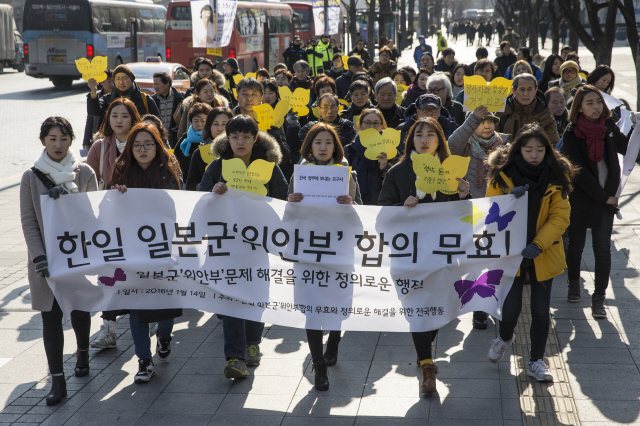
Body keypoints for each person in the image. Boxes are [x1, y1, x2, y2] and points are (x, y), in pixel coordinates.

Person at [378, 117, 471, 393]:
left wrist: (463, 196)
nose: (425, 139)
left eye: (431, 134)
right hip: (407, 258)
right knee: (418, 311)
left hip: (442, 256)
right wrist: (401, 206)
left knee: (435, 310)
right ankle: (427, 368)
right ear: (411, 140)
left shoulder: (449, 172)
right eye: (419, 134)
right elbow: (381, 217)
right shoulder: (398, 173)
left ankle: (424, 355)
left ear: (439, 141)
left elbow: (464, 220)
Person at [198, 115, 288, 378]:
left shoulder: (269, 167)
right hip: (226, 244)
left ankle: (252, 343)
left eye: (246, 137)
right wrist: (213, 192)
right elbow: (199, 195)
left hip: (258, 244)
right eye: (235, 137)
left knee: (257, 291)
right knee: (230, 296)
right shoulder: (218, 166)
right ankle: (234, 357)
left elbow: (282, 199)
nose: (240, 142)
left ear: (255, 138)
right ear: (227, 138)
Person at [485, 124, 575, 383]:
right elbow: (489, 211)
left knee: (540, 310)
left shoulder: (557, 176)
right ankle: (504, 337)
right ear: (518, 151)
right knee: (510, 310)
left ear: (547, 150)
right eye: (528, 150)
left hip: (542, 253)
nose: (534, 155)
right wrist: (508, 199)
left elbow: (561, 216)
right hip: (511, 253)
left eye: (539, 150)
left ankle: (536, 361)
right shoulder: (502, 175)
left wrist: (538, 244)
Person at [20, 117, 97, 406]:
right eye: (52, 138)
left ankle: (83, 353)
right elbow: (28, 222)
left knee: (78, 310)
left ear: (71, 141)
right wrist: (39, 257)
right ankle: (57, 380)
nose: (58, 144)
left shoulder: (84, 171)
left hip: (77, 256)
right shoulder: (31, 176)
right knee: (50, 317)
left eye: (64, 139)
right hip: (46, 261)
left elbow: (94, 215)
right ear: (43, 141)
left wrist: (66, 198)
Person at [287, 123, 361, 390]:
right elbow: (288, 217)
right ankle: (319, 367)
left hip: (339, 251)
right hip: (309, 251)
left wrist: (351, 205)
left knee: (337, 305)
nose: (322, 147)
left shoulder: (345, 174)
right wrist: (290, 202)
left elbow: (361, 213)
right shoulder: (300, 174)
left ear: (335, 147)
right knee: (312, 308)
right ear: (309, 146)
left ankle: (334, 345)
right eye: (318, 142)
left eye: (328, 142)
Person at [109, 122, 182, 383]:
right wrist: (115, 195)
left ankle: (164, 336)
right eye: (137, 145)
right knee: (137, 304)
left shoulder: (169, 170)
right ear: (130, 147)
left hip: (163, 250)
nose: (142, 149)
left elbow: (179, 208)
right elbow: (108, 210)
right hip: (133, 252)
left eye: (148, 144)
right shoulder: (121, 171)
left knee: (165, 304)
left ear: (156, 146)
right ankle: (144, 360)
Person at [562, 86, 636, 316]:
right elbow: (579, 172)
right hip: (583, 199)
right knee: (575, 246)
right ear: (579, 108)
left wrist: (637, 131)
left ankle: (599, 297)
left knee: (602, 249)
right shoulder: (571, 134)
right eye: (589, 103)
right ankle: (574, 282)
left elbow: (630, 150)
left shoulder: (609, 127)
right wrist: (605, 197)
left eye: (598, 102)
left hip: (606, 200)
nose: (596, 107)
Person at [448, 105, 511, 329]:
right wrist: (473, 117)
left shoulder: (505, 147)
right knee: (474, 261)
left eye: (490, 121)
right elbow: (451, 143)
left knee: (492, 261)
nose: (486, 125)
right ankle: (476, 306)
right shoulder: (464, 144)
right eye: (482, 121)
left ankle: (485, 306)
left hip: (496, 213)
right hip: (470, 213)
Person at [87, 98, 142, 191]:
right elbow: (89, 184)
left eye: (125, 116)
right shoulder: (98, 147)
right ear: (108, 118)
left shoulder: (144, 146)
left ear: (133, 118)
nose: (119, 121)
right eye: (114, 116)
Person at [344, 109, 396, 205]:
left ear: (382, 126)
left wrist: (384, 168)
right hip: (355, 205)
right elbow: (344, 181)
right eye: (367, 123)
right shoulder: (349, 150)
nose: (372, 127)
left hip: (380, 207)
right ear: (360, 126)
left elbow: (396, 184)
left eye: (376, 123)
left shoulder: (390, 150)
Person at [287, 93, 356, 164]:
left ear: (338, 108)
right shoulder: (310, 128)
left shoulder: (348, 128)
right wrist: (293, 127)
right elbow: (296, 149)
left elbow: (354, 153)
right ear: (319, 109)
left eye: (332, 107)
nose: (330, 111)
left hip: (340, 169)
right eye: (325, 107)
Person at [497, 74, 560, 144]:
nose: (526, 94)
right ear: (513, 91)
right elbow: (491, 139)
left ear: (535, 91)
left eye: (530, 89)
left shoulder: (544, 114)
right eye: (522, 89)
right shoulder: (503, 111)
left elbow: (554, 144)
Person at [87, 65, 160, 123]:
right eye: (117, 79)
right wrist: (93, 92)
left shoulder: (145, 100)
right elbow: (94, 111)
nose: (121, 82)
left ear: (131, 79)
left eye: (125, 78)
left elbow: (158, 124)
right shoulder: (108, 99)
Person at [186, 107, 233, 190]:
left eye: (224, 124)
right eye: (215, 124)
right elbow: (190, 185)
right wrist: (206, 186)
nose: (220, 128)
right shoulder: (199, 153)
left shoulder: (239, 151)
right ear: (209, 126)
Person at [175, 103, 212, 177]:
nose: (199, 124)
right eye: (195, 121)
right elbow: (176, 158)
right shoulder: (186, 137)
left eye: (202, 121)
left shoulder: (212, 137)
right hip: (187, 180)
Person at [152, 71, 185, 148]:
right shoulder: (152, 100)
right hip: (159, 139)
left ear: (167, 84)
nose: (155, 87)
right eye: (154, 84)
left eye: (158, 84)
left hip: (176, 140)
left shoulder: (180, 99)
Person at [83, 69, 113, 148]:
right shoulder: (95, 96)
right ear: (102, 82)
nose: (112, 84)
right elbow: (90, 120)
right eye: (109, 81)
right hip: (97, 137)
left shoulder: (117, 97)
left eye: (114, 81)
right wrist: (86, 141)